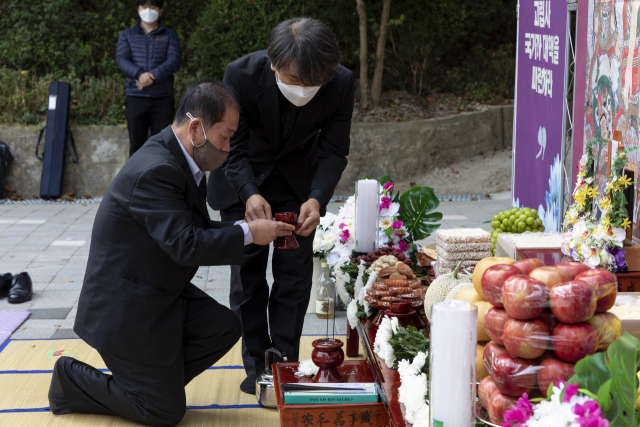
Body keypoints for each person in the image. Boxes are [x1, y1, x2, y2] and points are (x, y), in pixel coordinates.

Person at [47, 80, 296, 427]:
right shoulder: (157, 169)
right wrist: (248, 233)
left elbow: (197, 230)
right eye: (225, 136)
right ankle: (69, 380)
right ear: (196, 129)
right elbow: (187, 245)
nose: (228, 147)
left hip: (158, 292)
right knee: (163, 412)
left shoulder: (182, 158)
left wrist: (249, 232)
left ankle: (153, 385)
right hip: (126, 308)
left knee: (224, 327)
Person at [207, 18, 354, 394]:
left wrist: (317, 198)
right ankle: (256, 364)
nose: (304, 89)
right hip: (243, 179)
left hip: (298, 185)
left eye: (312, 84)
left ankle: (285, 364)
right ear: (273, 63)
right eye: (294, 80)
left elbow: (334, 149)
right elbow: (231, 145)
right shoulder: (240, 74)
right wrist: (248, 192)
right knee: (247, 277)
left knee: (294, 275)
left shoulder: (338, 81)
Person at [116, 0, 181, 157]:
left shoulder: (170, 35)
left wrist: (152, 76)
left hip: (162, 98)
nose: (148, 10)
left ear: (160, 10)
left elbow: (174, 60)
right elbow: (121, 60)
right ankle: (135, 180)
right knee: (136, 145)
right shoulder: (127, 35)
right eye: (144, 7)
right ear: (138, 10)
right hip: (135, 97)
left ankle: (161, 179)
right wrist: (139, 74)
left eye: (152, 7)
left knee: (164, 145)